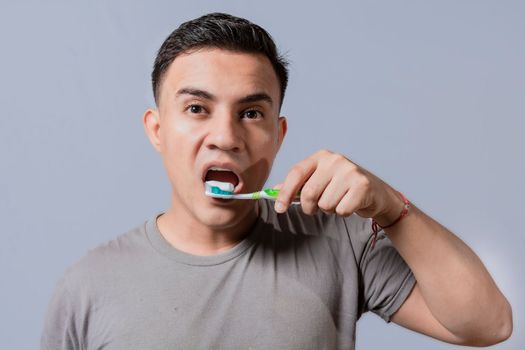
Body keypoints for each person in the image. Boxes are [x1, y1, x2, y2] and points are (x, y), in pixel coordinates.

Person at [41, 12, 512, 350]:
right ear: (157, 130)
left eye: (250, 113)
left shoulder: (339, 241)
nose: (225, 137)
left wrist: (390, 207)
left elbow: (488, 325)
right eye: (196, 109)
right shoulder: (87, 287)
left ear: (278, 135)